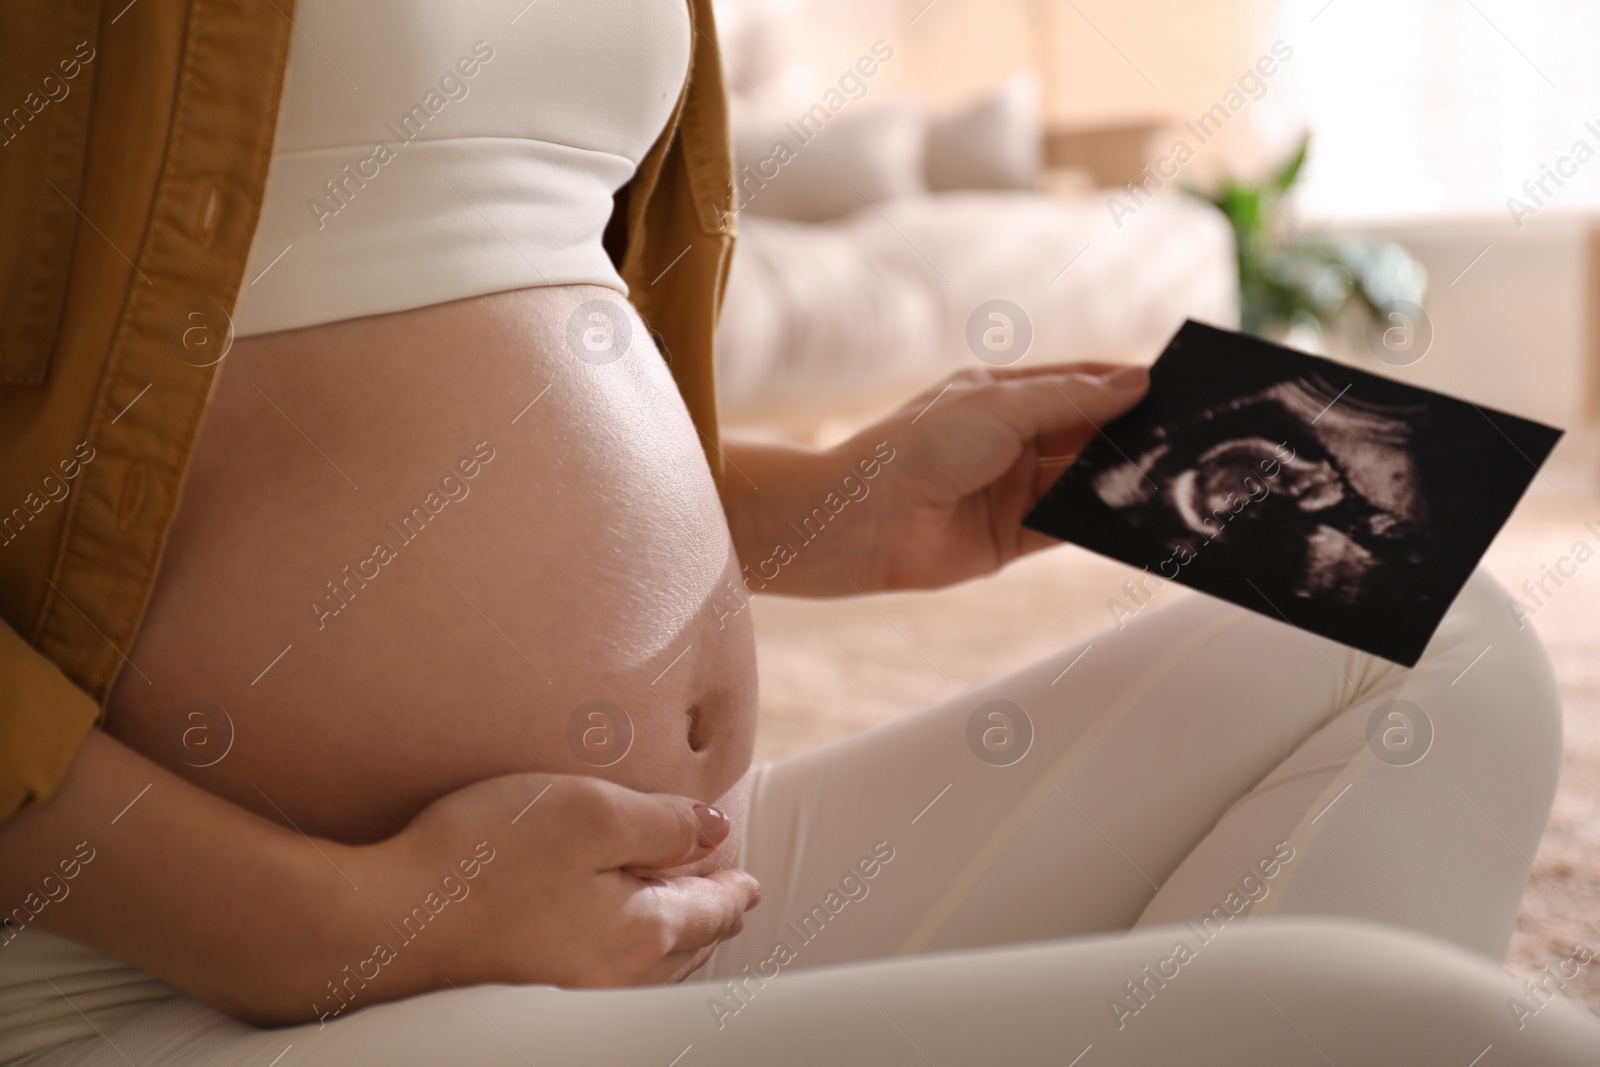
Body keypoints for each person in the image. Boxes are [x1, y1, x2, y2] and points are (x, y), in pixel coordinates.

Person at [1, 2, 1596, 1064]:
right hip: (190, 982)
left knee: (1449, 651)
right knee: (1420, 1034)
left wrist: (820, 502)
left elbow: (482, 309)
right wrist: (341, 927)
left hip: (655, 894)